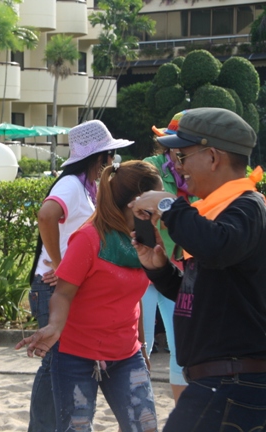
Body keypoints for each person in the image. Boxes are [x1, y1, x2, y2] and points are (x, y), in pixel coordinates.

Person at [131, 107, 266, 431]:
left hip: (233, 382)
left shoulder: (247, 206)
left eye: (182, 156)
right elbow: (206, 292)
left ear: (213, 157)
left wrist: (168, 205)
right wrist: (161, 270)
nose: (177, 166)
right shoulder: (218, 212)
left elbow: (217, 248)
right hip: (224, 382)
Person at [18, 160, 161, 432]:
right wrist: (55, 326)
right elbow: (62, 294)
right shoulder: (89, 238)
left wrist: (141, 347)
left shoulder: (145, 238)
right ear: (138, 202)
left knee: (145, 426)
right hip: (76, 355)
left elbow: (134, 298)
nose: (163, 205)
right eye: (157, 197)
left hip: (125, 353)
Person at [26, 119, 133, 432]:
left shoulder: (86, 187)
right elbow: (46, 214)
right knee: (55, 361)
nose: (113, 162)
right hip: (52, 286)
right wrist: (61, 266)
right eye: (110, 155)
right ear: (100, 158)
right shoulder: (72, 184)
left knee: (58, 361)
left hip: (61, 286)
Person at [141, 111, 193, 404]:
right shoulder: (151, 167)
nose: (178, 150)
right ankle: (134, 415)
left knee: (181, 345)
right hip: (146, 267)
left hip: (180, 269)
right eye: (174, 144)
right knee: (141, 343)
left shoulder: (198, 174)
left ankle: (179, 413)